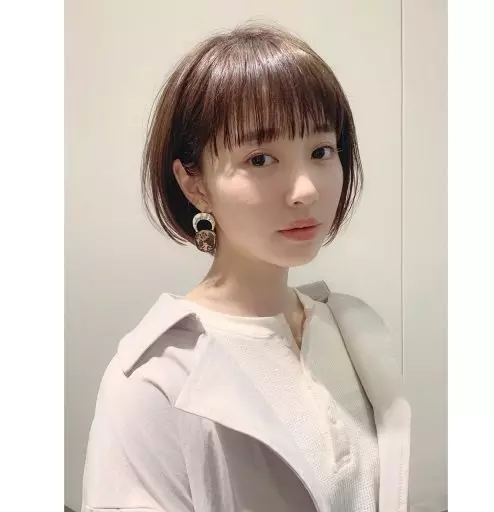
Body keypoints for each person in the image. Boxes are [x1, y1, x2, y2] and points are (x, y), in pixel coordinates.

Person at [82, 22, 411, 512]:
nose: (306, 190)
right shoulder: (154, 379)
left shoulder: (348, 328)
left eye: (321, 151)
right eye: (260, 159)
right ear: (195, 184)